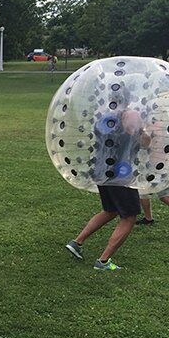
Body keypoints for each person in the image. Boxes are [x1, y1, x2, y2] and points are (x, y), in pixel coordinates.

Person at [65, 109, 151, 271]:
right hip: (120, 175)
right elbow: (145, 141)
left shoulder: (104, 118)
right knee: (129, 217)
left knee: (110, 210)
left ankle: (77, 243)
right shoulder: (130, 115)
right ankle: (103, 261)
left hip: (101, 172)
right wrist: (141, 127)